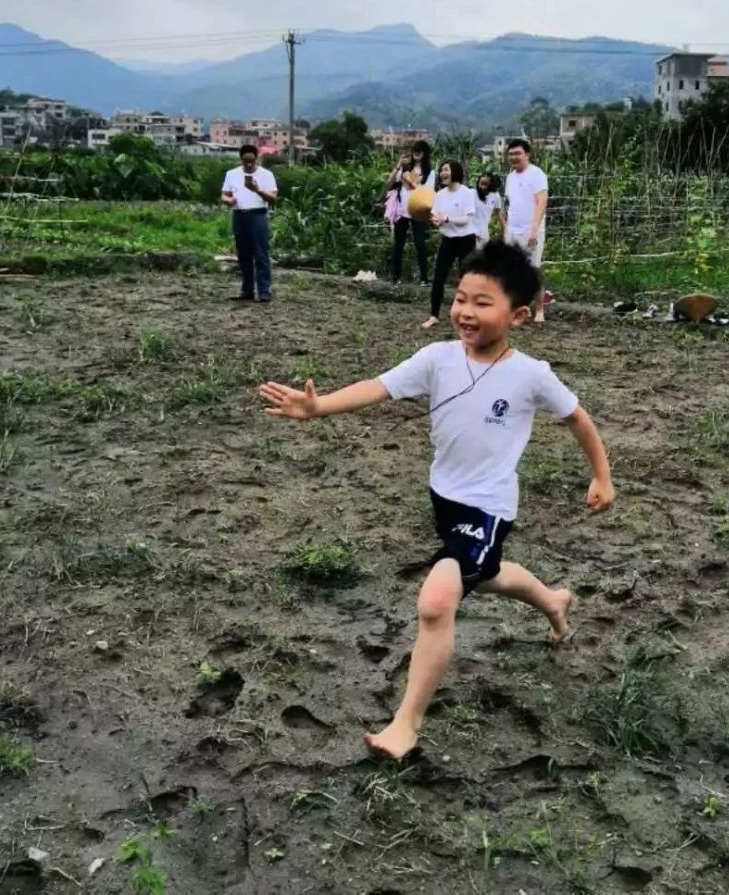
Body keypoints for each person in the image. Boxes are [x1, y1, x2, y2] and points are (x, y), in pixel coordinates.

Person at [258, 241, 615, 760]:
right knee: (484, 572)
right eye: (460, 298)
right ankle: (553, 601)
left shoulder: (531, 375)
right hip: (444, 498)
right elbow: (378, 387)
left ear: (517, 314)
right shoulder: (437, 358)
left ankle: (406, 724)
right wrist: (318, 408)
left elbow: (578, 419)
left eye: (482, 302)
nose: (465, 312)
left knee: (437, 599)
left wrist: (601, 476)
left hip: (489, 506)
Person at [422, 160, 478, 330]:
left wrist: (446, 218)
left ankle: (469, 314)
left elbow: (467, 219)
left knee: (467, 280)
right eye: (441, 170)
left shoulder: (467, 193)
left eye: (446, 170)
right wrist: (436, 220)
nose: (442, 173)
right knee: (439, 277)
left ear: (455, 171)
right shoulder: (440, 194)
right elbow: (436, 216)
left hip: (466, 240)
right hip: (448, 240)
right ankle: (434, 315)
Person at [221, 144, 278, 303]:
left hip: (258, 215)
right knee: (243, 255)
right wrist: (229, 200)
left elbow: (273, 199)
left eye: (252, 161)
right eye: (245, 161)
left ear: (257, 159)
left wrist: (257, 190)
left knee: (261, 254)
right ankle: (247, 290)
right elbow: (224, 195)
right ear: (241, 160)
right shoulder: (231, 174)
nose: (249, 164)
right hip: (239, 215)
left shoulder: (266, 175)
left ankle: (264, 291)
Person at [502, 139, 549, 323]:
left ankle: (539, 310)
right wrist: (506, 229)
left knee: (533, 270)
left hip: (531, 230)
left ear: (527, 154)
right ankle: (519, 308)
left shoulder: (537, 175)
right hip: (513, 230)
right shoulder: (511, 177)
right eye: (511, 154)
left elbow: (541, 202)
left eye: (518, 153)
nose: (514, 157)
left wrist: (534, 229)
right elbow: (511, 205)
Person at [388, 141, 435, 284]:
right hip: (402, 211)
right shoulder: (404, 168)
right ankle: (396, 277)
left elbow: (426, 192)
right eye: (414, 149)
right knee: (398, 244)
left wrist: (409, 179)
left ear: (425, 153)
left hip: (418, 211)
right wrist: (398, 166)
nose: (417, 152)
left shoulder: (430, 173)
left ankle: (423, 278)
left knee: (420, 244)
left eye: (420, 150)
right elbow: (389, 182)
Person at [473, 172, 503, 247]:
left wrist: (502, 235)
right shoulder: (471, 193)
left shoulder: (495, 196)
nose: (485, 178)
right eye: (483, 176)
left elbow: (499, 215)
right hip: (469, 235)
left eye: (488, 178)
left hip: (483, 236)